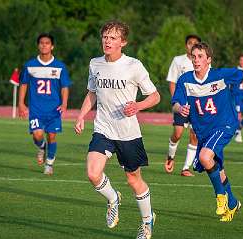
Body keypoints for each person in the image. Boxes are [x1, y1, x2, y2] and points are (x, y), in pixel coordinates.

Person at [74, 20, 160, 239]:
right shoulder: (95, 64)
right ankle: (113, 199)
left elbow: (155, 96)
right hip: (103, 128)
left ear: (123, 42)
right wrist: (82, 116)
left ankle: (147, 220)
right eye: (105, 36)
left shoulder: (134, 65)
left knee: (133, 180)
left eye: (113, 38)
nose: (107, 41)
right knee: (93, 173)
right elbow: (92, 93)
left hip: (128, 133)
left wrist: (138, 105)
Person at [172, 42, 243, 222]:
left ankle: (221, 197)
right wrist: (180, 108)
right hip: (203, 131)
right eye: (194, 56)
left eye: (200, 57)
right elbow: (175, 104)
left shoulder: (219, 75)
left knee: (205, 158)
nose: (196, 60)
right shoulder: (185, 80)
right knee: (217, 169)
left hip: (225, 124)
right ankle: (233, 203)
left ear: (208, 60)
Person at [18, 33, 71, 175]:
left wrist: (64, 104)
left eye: (47, 43)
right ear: (38, 45)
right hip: (36, 109)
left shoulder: (60, 67)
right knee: (37, 135)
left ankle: (49, 164)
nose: (44, 45)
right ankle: (41, 147)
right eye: (41, 43)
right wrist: (21, 104)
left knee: (52, 136)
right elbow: (23, 84)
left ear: (52, 46)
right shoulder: (30, 65)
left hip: (54, 109)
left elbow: (65, 86)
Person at [164, 34, 201, 177]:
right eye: (190, 43)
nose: (192, 45)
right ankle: (170, 156)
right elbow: (172, 81)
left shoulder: (203, 62)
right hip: (181, 104)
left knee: (194, 136)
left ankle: (186, 168)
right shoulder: (178, 60)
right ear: (186, 45)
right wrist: (176, 101)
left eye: (195, 43)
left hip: (197, 105)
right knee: (178, 133)